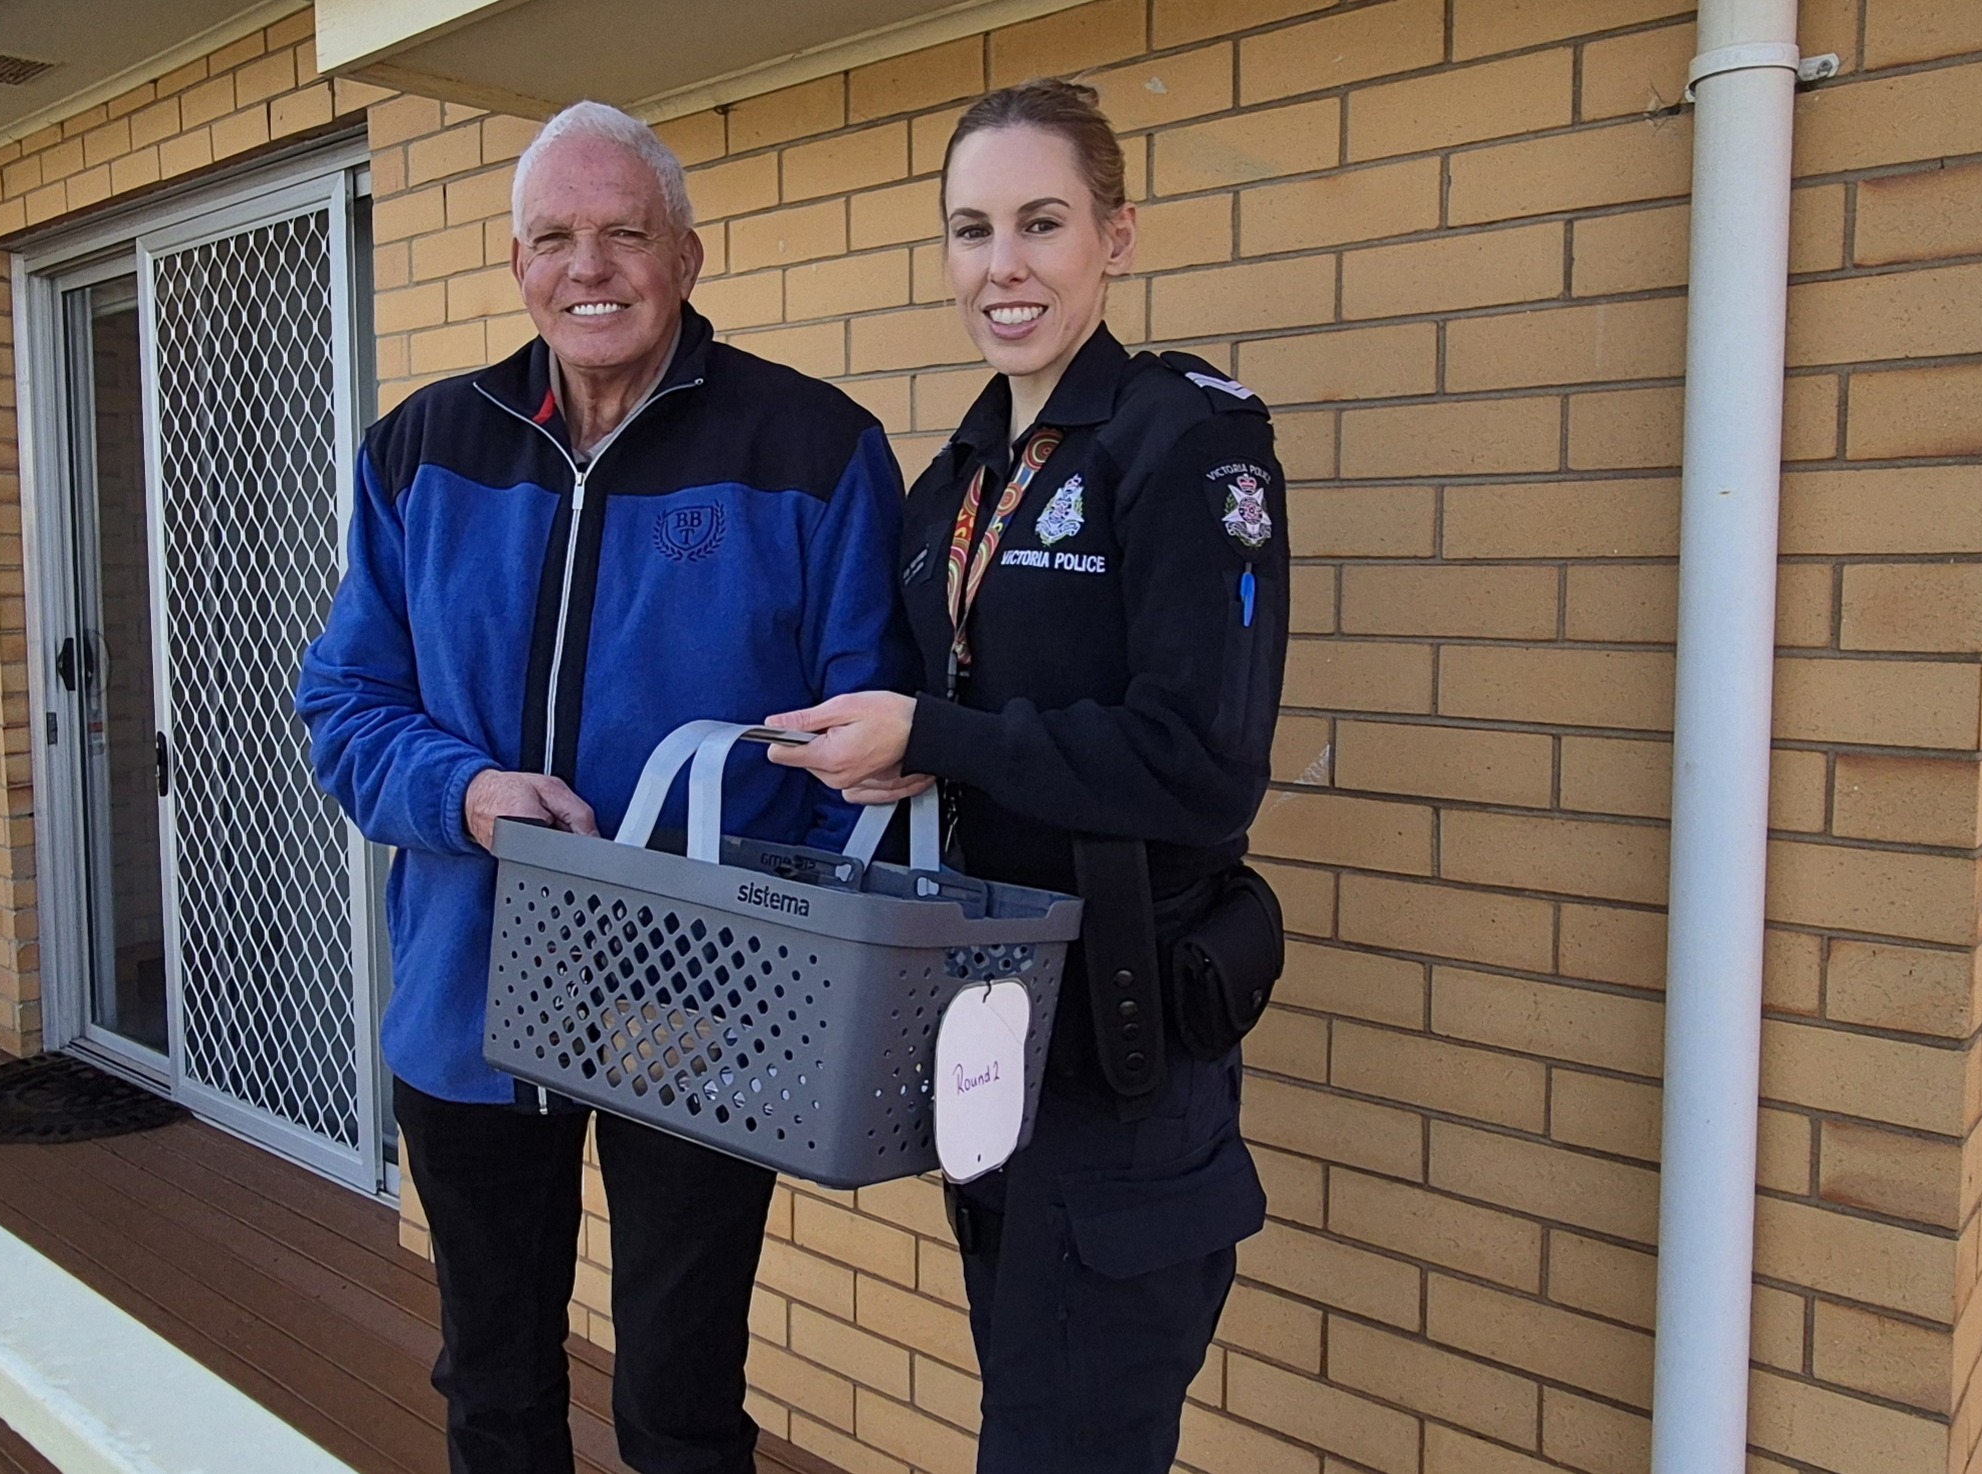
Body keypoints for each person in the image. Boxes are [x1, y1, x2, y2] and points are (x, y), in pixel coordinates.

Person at [297, 101, 907, 1474]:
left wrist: (758, 956)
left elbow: (857, 755)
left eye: (625, 232)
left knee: (680, 1408)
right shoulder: (421, 450)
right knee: (495, 1390)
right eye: (556, 238)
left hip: (700, 1010)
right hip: (468, 994)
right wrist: (465, 795)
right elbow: (345, 704)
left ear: (686, 256)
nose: (592, 266)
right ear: (517, 266)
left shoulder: (812, 448)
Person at [764, 79, 1287, 1474]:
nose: (1003, 264)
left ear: (1116, 236)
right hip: (990, 1048)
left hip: (1122, 1060)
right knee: (1034, 1420)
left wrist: (932, 736)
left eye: (1041, 222)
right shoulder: (959, 483)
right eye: (971, 228)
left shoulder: (1188, 440)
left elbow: (1203, 764)